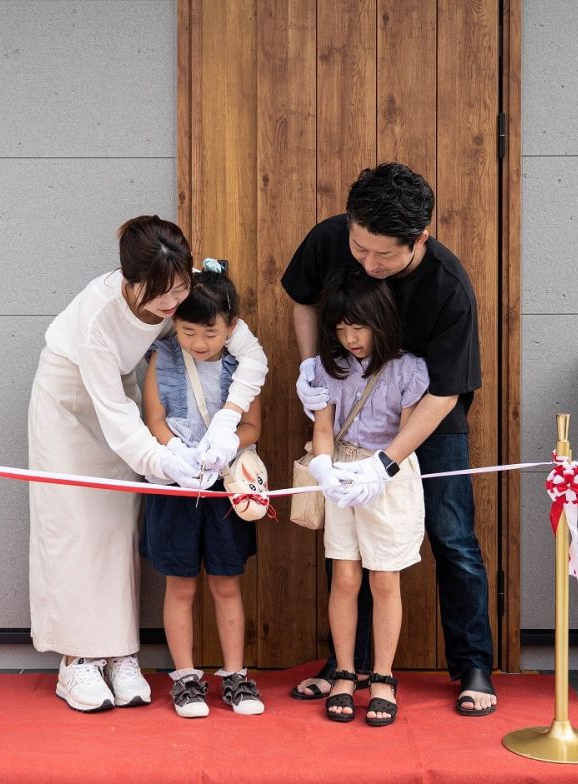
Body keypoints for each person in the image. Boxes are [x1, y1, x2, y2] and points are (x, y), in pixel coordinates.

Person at [280, 162, 497, 716]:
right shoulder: (334, 237)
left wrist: (387, 463)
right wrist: (312, 367)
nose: (369, 264)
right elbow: (303, 296)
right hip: (349, 413)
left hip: (427, 416)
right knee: (346, 546)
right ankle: (343, 667)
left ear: (419, 238)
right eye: (360, 249)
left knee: (452, 536)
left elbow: (445, 392)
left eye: (384, 256)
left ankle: (473, 665)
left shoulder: (449, 287)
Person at [28, 217, 268, 713]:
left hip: (120, 391)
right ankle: (76, 660)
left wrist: (227, 421)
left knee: (117, 525)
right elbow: (117, 421)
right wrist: (165, 459)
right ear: (130, 283)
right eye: (161, 294)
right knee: (75, 524)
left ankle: (118, 652)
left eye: (180, 287)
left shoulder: (186, 290)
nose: (172, 302)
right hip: (70, 401)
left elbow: (253, 357)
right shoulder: (98, 319)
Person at [140, 259, 265, 719]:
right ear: (175, 322)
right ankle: (187, 677)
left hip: (225, 489)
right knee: (180, 585)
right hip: (173, 482)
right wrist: (178, 453)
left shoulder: (244, 364)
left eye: (210, 334)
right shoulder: (162, 356)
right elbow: (153, 420)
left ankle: (235, 674)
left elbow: (252, 425)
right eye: (189, 332)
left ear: (230, 326)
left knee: (227, 584)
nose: (199, 343)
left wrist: (230, 440)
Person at [307, 270, 428, 727]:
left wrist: (381, 468)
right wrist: (323, 468)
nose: (349, 337)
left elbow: (408, 433)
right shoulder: (326, 367)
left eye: (357, 326)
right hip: (341, 473)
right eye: (339, 328)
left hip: (387, 477)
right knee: (344, 575)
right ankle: (343, 671)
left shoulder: (409, 368)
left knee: (384, 580)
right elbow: (322, 426)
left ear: (380, 319)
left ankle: (382, 676)